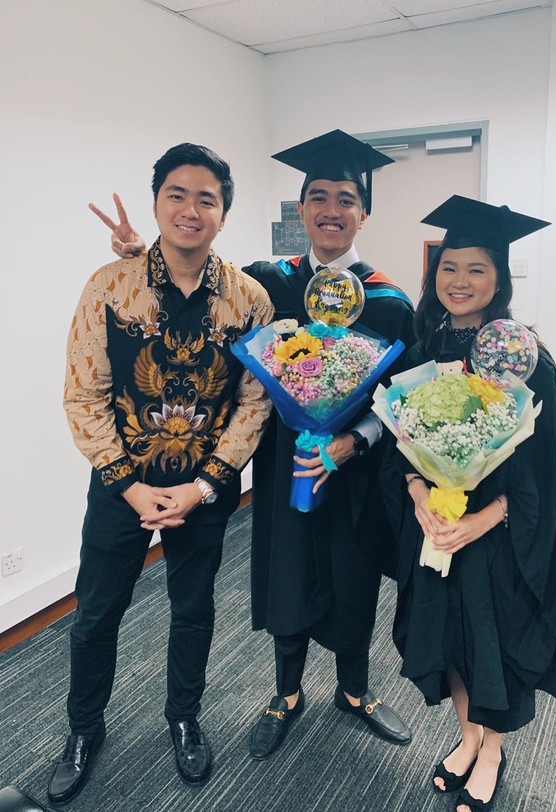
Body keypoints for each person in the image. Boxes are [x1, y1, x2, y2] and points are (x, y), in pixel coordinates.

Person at [96, 130, 415, 761]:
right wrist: (142, 254)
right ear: (301, 212)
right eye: (317, 196)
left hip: (352, 472)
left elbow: (399, 400)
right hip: (281, 464)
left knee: (353, 578)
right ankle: (286, 693)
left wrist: (352, 441)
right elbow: (198, 284)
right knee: (287, 573)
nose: (331, 209)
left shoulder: (390, 302)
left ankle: (355, 690)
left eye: (346, 198)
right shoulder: (270, 282)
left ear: (363, 213)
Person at [49, 143, 274, 806]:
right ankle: (83, 731)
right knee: (95, 615)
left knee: (194, 611)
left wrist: (203, 485)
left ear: (224, 213)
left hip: (205, 490)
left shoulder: (249, 300)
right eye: (176, 194)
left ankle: (184, 717)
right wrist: (129, 482)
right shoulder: (109, 287)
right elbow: (83, 392)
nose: (190, 209)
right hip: (123, 486)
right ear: (155, 203)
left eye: (206, 198)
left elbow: (254, 403)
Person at [382, 196, 556, 812]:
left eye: (476, 269)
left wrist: (483, 518)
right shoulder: (425, 351)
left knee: (495, 641)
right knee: (448, 638)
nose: (460, 281)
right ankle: (467, 736)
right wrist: (423, 498)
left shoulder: (527, 359)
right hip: (439, 532)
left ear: (499, 279)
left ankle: (493, 750)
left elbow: (551, 471)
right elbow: (400, 450)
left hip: (500, 538)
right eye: (449, 267)